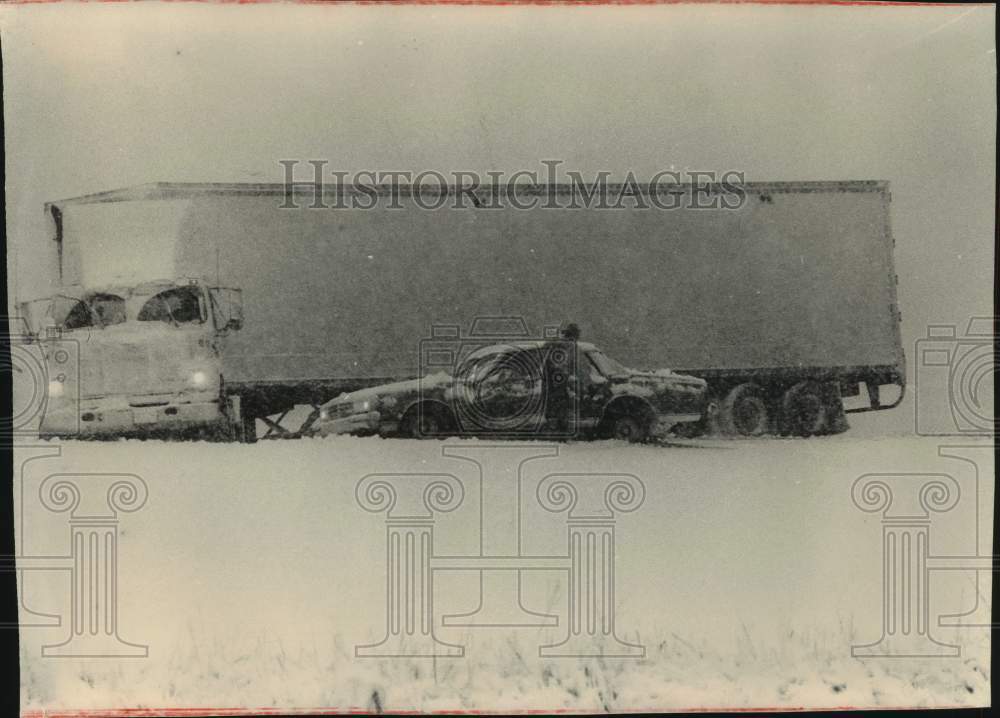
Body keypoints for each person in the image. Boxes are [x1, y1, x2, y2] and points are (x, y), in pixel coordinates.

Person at [544, 322, 581, 432]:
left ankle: (557, 428)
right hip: (558, 383)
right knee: (560, 407)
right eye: (577, 334)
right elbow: (562, 365)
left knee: (556, 408)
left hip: (553, 382)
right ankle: (559, 430)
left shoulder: (560, 344)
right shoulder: (567, 346)